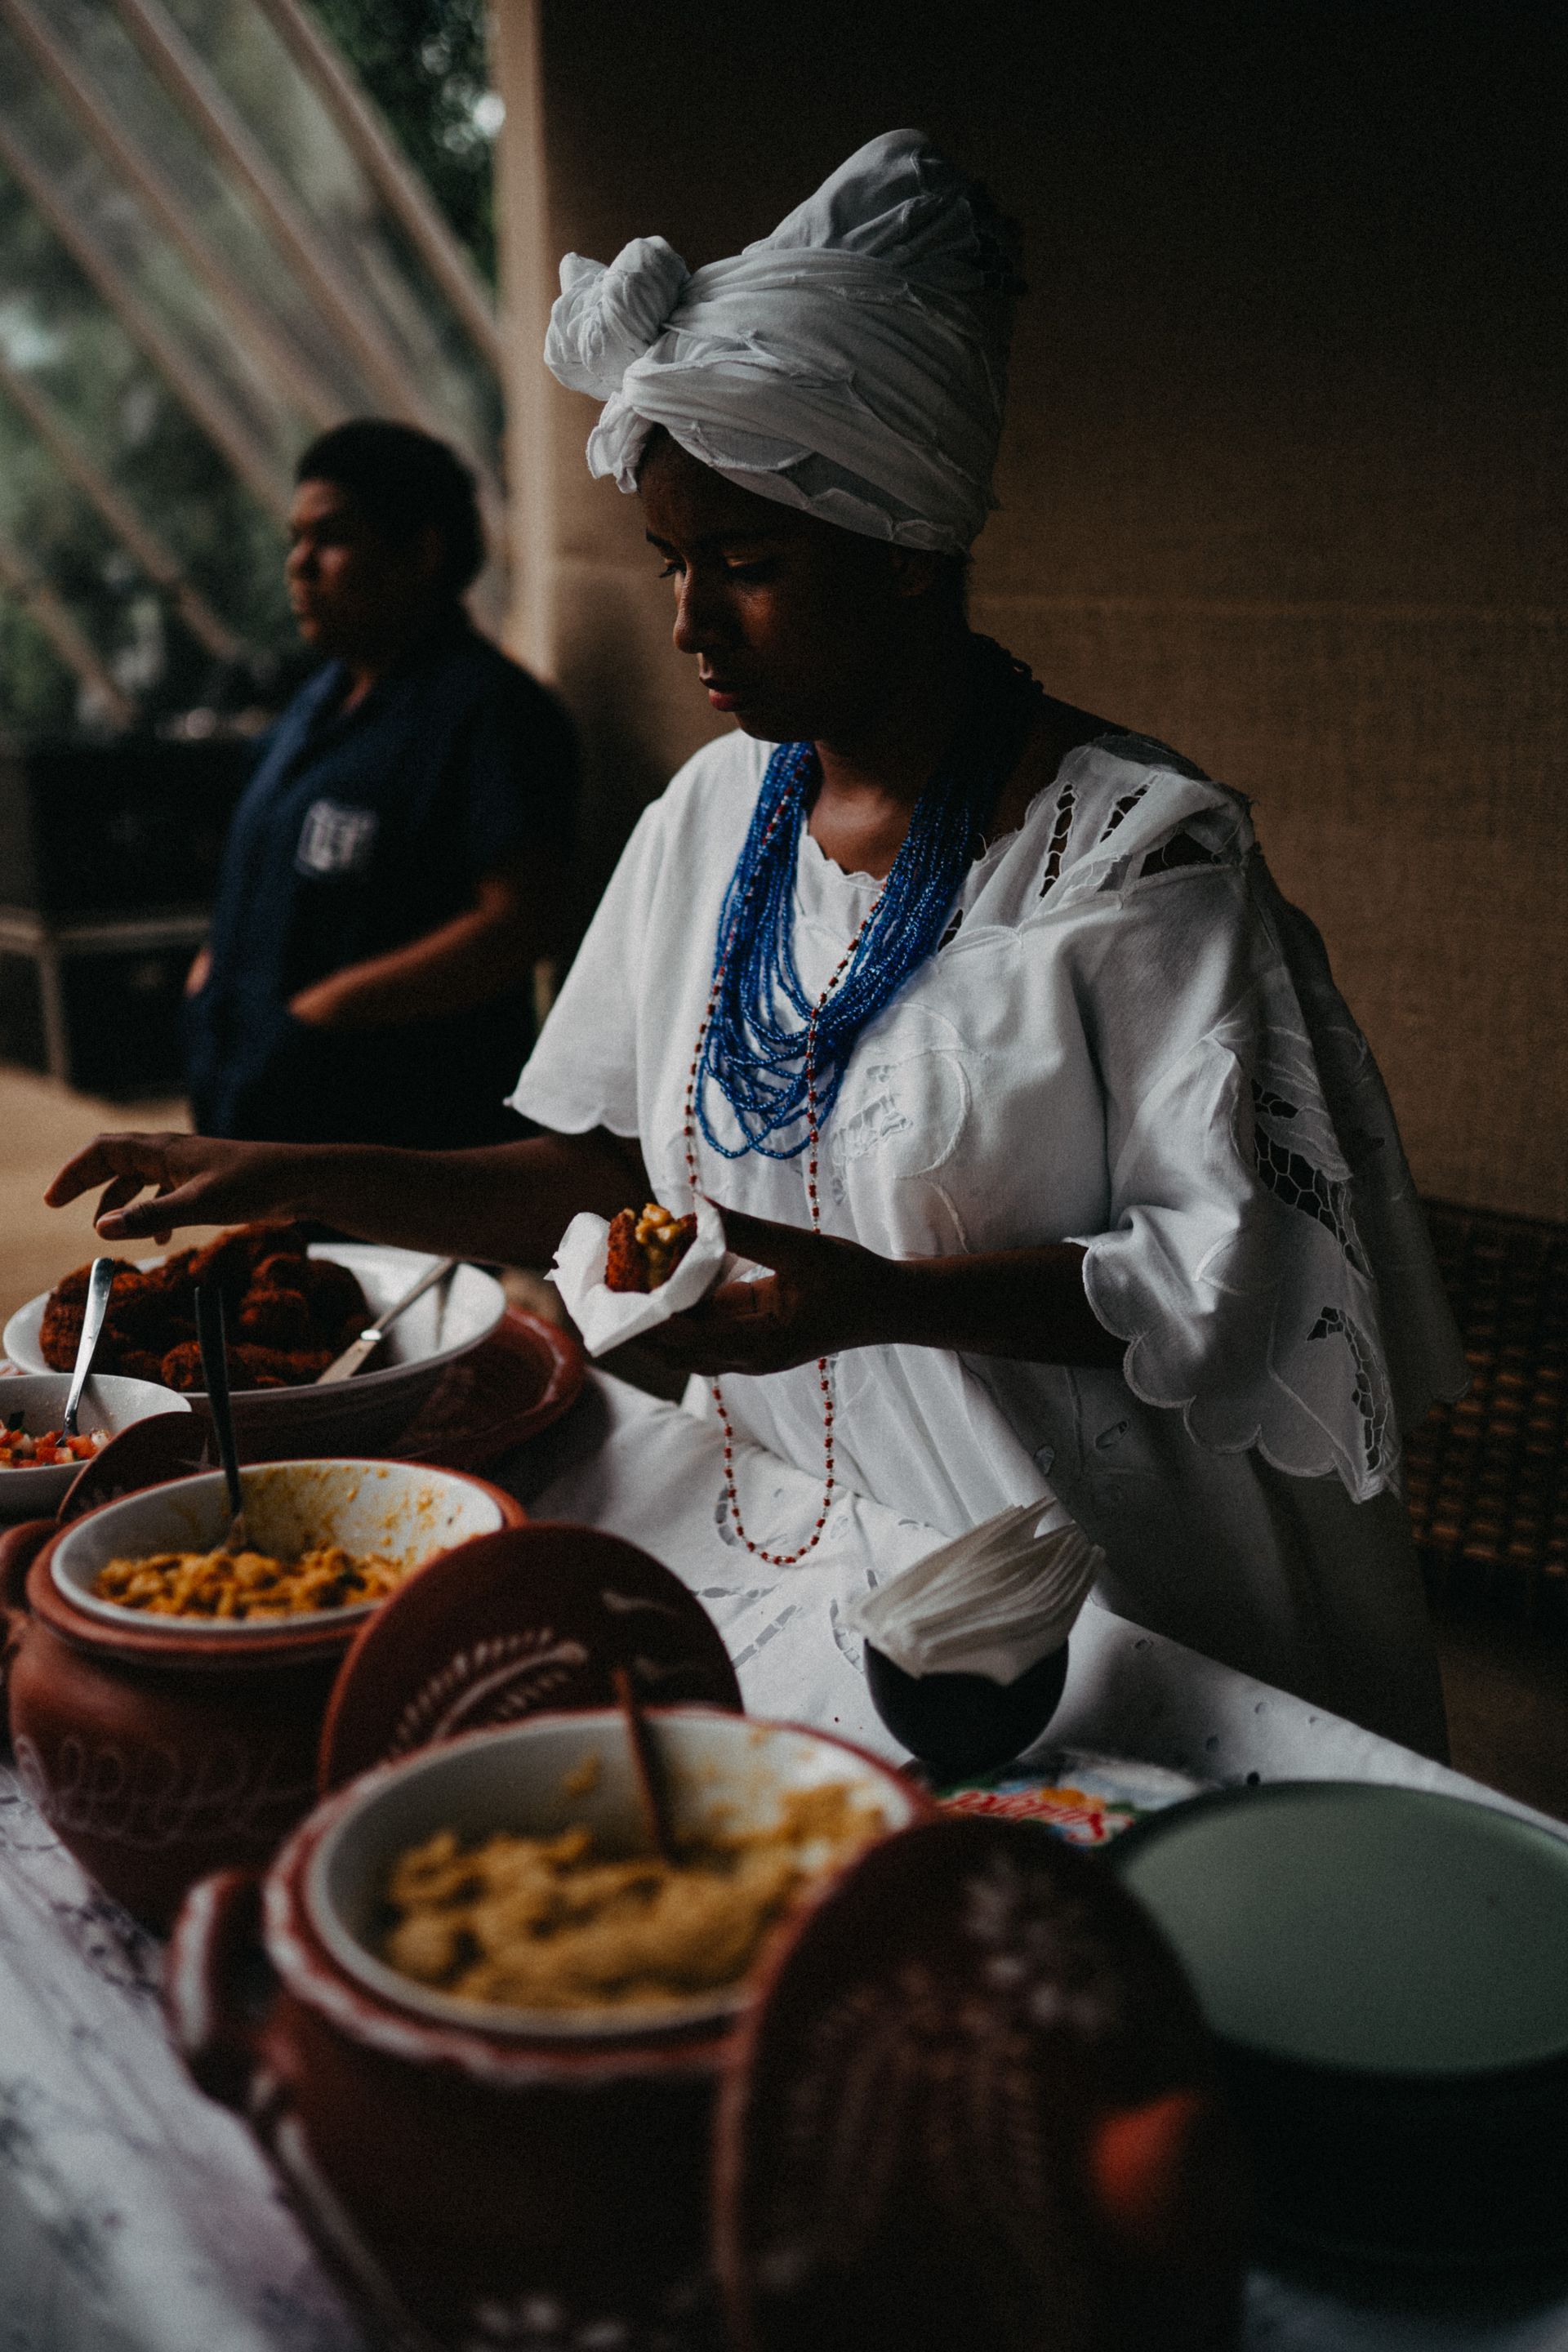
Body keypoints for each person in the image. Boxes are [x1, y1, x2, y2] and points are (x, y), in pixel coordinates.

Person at [51, 133, 1464, 1754]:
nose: (686, 620)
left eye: (749, 565)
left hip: (1091, 1625)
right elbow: (606, 1177)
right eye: (673, 562)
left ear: (909, 549)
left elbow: (1233, 1281)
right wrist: (296, 1172)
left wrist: (875, 1296)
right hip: (805, 1557)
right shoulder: (712, 819)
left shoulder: (1139, 865)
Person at [183, 419, 578, 1150]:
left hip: (400, 1148)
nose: (300, 565)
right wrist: (212, 982)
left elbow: (523, 920)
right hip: (263, 1121)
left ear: (422, 551)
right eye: (294, 541)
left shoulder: (491, 713)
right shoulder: (314, 706)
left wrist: (330, 1011)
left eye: (330, 538)